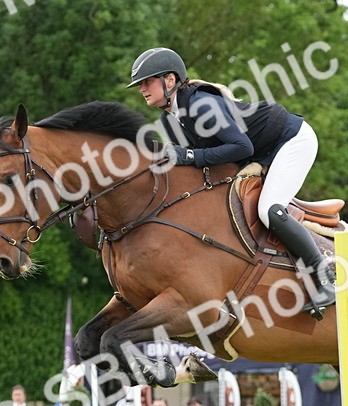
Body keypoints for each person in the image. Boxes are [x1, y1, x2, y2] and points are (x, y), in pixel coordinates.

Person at [128, 47, 336, 315]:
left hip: (292, 140)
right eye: (139, 84)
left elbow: (241, 147)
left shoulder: (201, 104)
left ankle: (326, 278)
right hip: (261, 151)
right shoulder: (169, 119)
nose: (141, 89)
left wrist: (188, 154)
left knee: (269, 209)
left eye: (147, 82)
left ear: (170, 81)